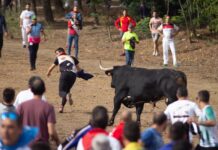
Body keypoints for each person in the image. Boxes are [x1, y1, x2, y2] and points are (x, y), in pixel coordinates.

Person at [47, 47, 93, 113]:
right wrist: (83, 75)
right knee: (66, 91)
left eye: (56, 53)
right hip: (73, 75)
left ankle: (67, 97)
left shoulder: (59, 57)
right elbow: (79, 69)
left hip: (64, 74)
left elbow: (51, 68)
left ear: (60, 52)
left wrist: (48, 73)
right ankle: (61, 107)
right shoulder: (72, 57)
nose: (56, 55)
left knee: (62, 92)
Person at [17, 76, 60, 146]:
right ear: (44, 89)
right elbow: (51, 131)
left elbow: (15, 122)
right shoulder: (48, 107)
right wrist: (58, 142)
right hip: (41, 144)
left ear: (31, 89)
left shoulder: (22, 105)